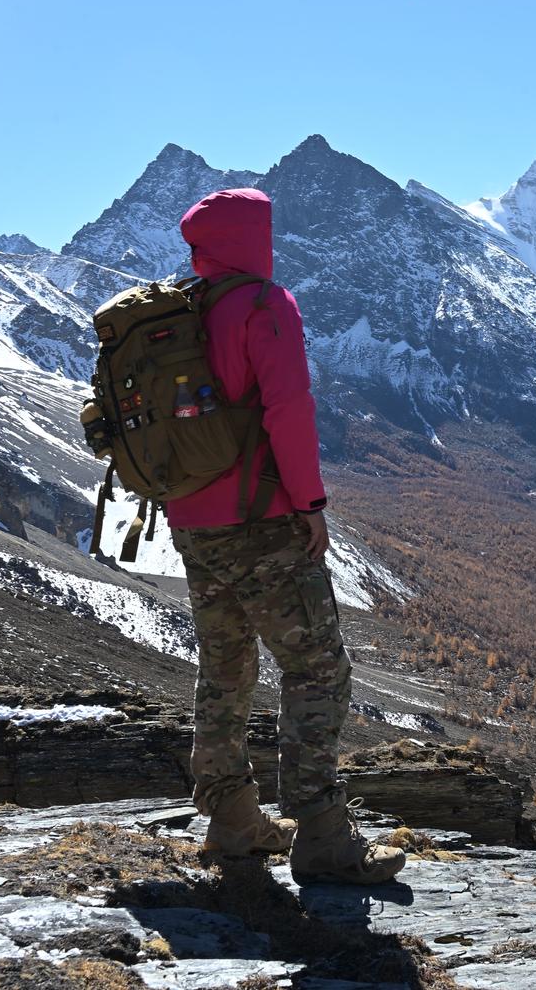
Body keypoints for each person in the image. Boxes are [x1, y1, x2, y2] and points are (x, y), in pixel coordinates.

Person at [166, 187, 405, 886]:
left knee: (226, 664)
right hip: (259, 520)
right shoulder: (265, 305)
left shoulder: (186, 310)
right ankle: (322, 833)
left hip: (193, 522)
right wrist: (309, 502)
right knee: (318, 667)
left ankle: (232, 820)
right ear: (254, 236)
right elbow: (289, 409)